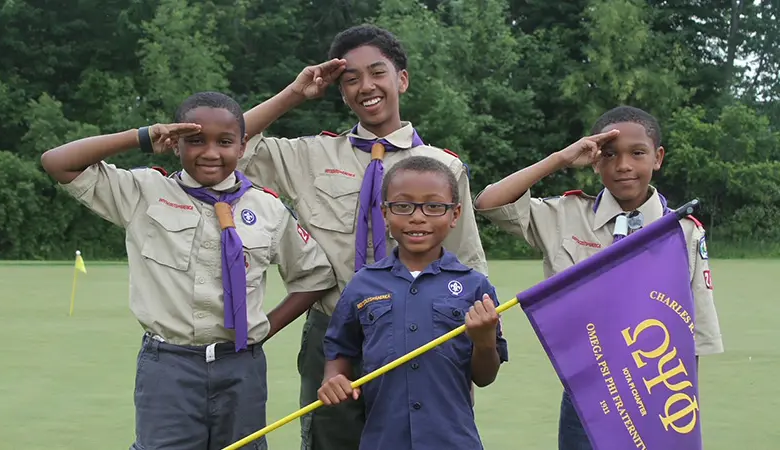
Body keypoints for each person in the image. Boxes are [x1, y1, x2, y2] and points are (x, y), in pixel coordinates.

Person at [40, 91, 338, 450]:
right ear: (175, 144)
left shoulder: (268, 208)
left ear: (242, 147)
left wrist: (264, 329)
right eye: (195, 141)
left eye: (225, 142)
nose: (210, 152)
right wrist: (142, 136)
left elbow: (316, 275)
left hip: (241, 367)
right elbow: (57, 162)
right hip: (168, 365)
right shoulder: (143, 192)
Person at [238, 24, 488, 450]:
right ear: (340, 91)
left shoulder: (441, 167)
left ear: (402, 80)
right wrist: (293, 95)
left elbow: (467, 263)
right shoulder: (311, 154)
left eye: (377, 73)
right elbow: (229, 146)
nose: (365, 87)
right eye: (351, 79)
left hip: (421, 332)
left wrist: (462, 356)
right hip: (332, 334)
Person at [473, 105, 724, 450]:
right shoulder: (565, 216)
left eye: (638, 153)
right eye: (609, 154)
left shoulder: (682, 232)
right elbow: (490, 203)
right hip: (587, 393)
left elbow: (693, 329)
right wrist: (560, 159)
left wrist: (679, 405)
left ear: (658, 157)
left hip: (656, 392)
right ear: (594, 160)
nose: (623, 166)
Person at [318, 156, 508, 450]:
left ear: (455, 214)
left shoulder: (475, 287)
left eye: (434, 206)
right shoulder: (362, 285)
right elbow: (340, 352)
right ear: (384, 212)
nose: (418, 217)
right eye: (403, 206)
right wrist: (333, 379)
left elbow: (485, 377)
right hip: (383, 440)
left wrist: (484, 342)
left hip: (452, 441)